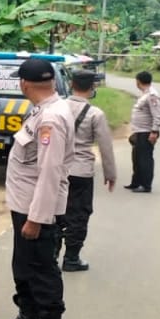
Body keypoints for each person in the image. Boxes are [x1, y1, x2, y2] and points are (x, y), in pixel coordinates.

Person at [0, 56, 74, 319]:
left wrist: (37, 218)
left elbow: (50, 172)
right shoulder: (42, 111)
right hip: (24, 206)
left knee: (42, 269)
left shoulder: (51, 118)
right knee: (24, 266)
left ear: (24, 84)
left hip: (38, 210)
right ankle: (28, 318)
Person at [58, 70, 118, 271]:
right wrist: (110, 174)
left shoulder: (57, 107)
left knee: (56, 213)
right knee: (79, 214)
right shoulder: (95, 114)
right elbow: (105, 146)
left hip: (58, 170)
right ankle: (71, 258)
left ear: (71, 84)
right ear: (92, 88)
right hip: (81, 172)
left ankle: (51, 256)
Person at [126, 70, 160, 193]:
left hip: (147, 132)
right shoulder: (144, 94)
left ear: (138, 81)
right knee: (136, 158)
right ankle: (135, 182)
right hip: (139, 131)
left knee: (145, 159)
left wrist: (154, 131)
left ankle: (146, 185)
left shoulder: (152, 95)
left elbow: (157, 115)